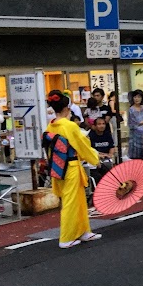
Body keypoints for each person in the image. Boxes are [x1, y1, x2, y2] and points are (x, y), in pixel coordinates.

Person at [42, 90, 101, 249]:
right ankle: (66, 237)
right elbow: (82, 144)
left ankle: (83, 230)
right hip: (71, 166)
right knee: (70, 201)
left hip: (58, 166)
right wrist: (94, 158)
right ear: (67, 108)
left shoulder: (51, 125)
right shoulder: (70, 126)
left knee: (79, 199)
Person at [126, 90, 143, 159]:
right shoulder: (131, 109)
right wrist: (142, 123)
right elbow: (131, 123)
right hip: (135, 133)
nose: (137, 99)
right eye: (135, 97)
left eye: (139, 97)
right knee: (135, 154)